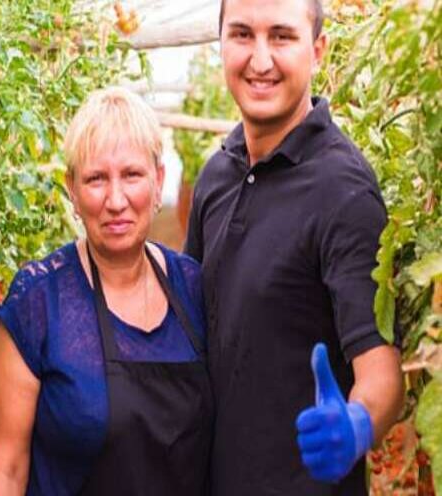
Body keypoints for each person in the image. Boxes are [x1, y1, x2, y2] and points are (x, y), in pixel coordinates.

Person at [184, 0, 404, 493]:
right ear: (221, 43)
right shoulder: (218, 173)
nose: (260, 60)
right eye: (242, 35)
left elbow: (383, 369)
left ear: (318, 49)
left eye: (281, 37)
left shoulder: (343, 190)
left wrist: (357, 424)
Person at [0, 86, 213, 495]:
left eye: (132, 174)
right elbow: (8, 469)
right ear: (71, 189)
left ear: (158, 180)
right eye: (95, 179)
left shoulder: (194, 289)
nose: (115, 199)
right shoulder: (38, 303)